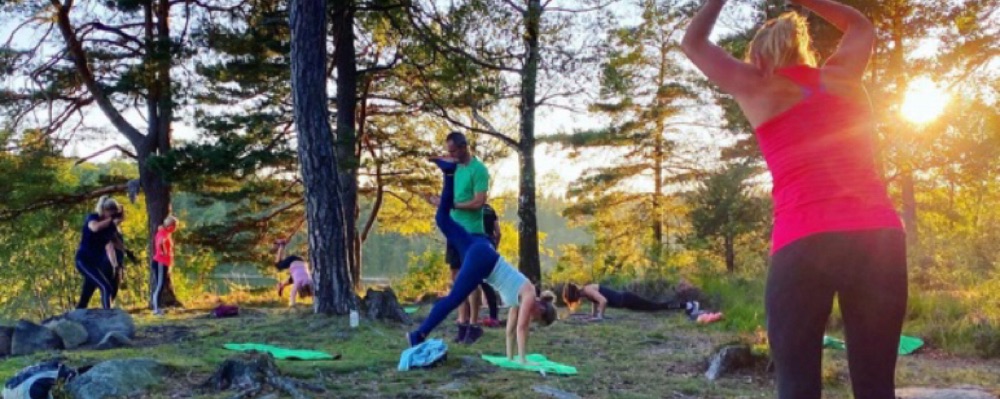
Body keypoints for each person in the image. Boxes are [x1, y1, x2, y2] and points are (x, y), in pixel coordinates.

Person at [682, 1, 906, 398]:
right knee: (876, 385)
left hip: (805, 238)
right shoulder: (843, 76)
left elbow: (694, 42)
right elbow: (859, 25)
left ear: (758, 57)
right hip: (878, 237)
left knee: (797, 383)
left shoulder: (757, 85)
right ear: (805, 52)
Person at [407, 157, 557, 365]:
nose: (531, 319)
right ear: (540, 309)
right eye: (536, 319)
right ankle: (419, 335)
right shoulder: (529, 294)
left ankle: (448, 174)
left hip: (481, 249)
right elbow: (522, 329)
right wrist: (525, 361)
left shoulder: (521, 300)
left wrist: (512, 358)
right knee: (453, 299)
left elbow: (511, 329)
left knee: (442, 219)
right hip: (483, 259)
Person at [441, 132, 491, 344]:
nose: (450, 155)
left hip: (472, 232)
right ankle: (461, 324)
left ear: (463, 147)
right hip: (454, 229)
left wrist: (455, 205)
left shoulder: (478, 170)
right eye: (448, 151)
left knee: (471, 280)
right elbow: (451, 196)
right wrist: (440, 201)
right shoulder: (454, 169)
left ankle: (474, 324)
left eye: (453, 151)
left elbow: (479, 202)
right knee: (456, 279)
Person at [74, 196, 122, 309]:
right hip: (83, 260)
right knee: (106, 287)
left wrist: (116, 264)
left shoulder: (110, 227)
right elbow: (94, 228)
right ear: (105, 211)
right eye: (111, 213)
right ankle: (108, 318)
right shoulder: (93, 217)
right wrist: (111, 220)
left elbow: (111, 244)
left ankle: (78, 314)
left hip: (95, 263)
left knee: (86, 296)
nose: (112, 216)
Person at [561, 283, 700, 320]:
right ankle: (687, 305)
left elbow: (602, 301)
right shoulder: (586, 292)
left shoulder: (587, 290)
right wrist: (592, 315)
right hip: (625, 302)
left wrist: (599, 317)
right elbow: (595, 301)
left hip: (626, 299)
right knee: (654, 307)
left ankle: (689, 305)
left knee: (656, 307)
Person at [479, 203, 502, 328]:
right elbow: (498, 233)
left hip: (477, 244)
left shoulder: (470, 207)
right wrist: (494, 247)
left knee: (475, 282)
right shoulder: (490, 209)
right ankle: (494, 316)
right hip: (490, 245)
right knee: (487, 281)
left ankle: (469, 317)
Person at [274, 239, 314, 307]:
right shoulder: (299, 283)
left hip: (302, 262)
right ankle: (281, 246)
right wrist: (292, 304)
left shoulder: (310, 282)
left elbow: (314, 293)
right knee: (278, 265)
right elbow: (293, 294)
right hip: (293, 261)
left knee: (292, 280)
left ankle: (282, 285)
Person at [151, 215, 177, 315]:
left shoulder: (166, 233)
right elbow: (160, 242)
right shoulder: (163, 233)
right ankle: (156, 309)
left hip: (164, 262)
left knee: (161, 285)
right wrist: (163, 252)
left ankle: (158, 308)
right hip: (160, 262)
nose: (175, 229)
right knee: (160, 285)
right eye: (175, 226)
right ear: (171, 226)